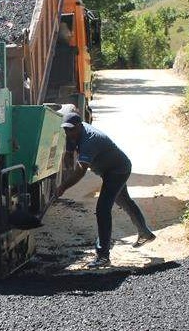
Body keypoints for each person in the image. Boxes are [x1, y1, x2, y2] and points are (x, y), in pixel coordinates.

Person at [55, 112, 156, 268]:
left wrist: (62, 187)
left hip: (117, 170)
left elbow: (81, 171)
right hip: (111, 169)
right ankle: (145, 233)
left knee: (102, 209)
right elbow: (70, 140)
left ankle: (103, 256)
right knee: (124, 201)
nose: (69, 133)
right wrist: (68, 153)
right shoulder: (75, 132)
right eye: (66, 130)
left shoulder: (90, 141)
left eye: (71, 130)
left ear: (80, 126)